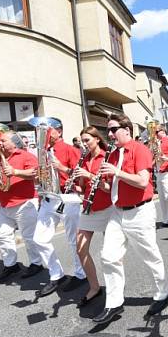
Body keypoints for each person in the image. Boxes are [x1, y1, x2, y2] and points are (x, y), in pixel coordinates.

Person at [93, 114, 168, 324]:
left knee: (150, 256)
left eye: (113, 129)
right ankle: (114, 302)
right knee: (108, 256)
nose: (109, 134)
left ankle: (162, 293)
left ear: (126, 129)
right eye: (107, 130)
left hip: (139, 212)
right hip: (117, 212)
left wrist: (117, 172)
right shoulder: (112, 154)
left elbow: (143, 181)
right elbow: (113, 186)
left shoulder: (140, 149)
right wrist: (100, 184)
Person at [30, 119, 88, 298]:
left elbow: (80, 177)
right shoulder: (42, 152)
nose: (43, 134)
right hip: (48, 198)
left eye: (47, 130)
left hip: (67, 196)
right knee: (39, 238)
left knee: (73, 240)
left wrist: (62, 168)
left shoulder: (71, 150)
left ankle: (81, 274)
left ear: (59, 131)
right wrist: (37, 177)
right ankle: (56, 274)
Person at [0, 131, 43, 284]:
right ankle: (10, 265)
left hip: (25, 203)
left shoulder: (26, 155)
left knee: (29, 236)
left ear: (13, 142)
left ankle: (36, 263)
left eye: (3, 140)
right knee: (0, 234)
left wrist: (15, 171)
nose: (0, 143)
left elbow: (35, 174)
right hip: (4, 204)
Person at [71, 127, 112, 308]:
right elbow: (82, 187)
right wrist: (73, 186)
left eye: (87, 140)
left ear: (96, 139)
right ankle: (94, 287)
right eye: (82, 141)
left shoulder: (107, 157)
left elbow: (108, 188)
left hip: (108, 209)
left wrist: (89, 175)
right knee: (80, 248)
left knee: (110, 254)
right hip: (88, 207)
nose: (84, 144)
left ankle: (114, 288)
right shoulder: (84, 159)